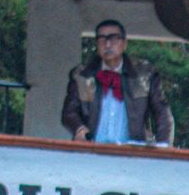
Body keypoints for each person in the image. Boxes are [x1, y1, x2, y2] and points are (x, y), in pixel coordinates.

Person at [61, 19, 174, 147]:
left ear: (124, 43)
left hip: (133, 151)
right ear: (97, 44)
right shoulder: (82, 75)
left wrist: (164, 146)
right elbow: (69, 112)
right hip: (92, 150)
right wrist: (79, 129)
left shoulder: (144, 74)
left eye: (113, 38)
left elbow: (162, 112)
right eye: (102, 39)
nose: (107, 44)